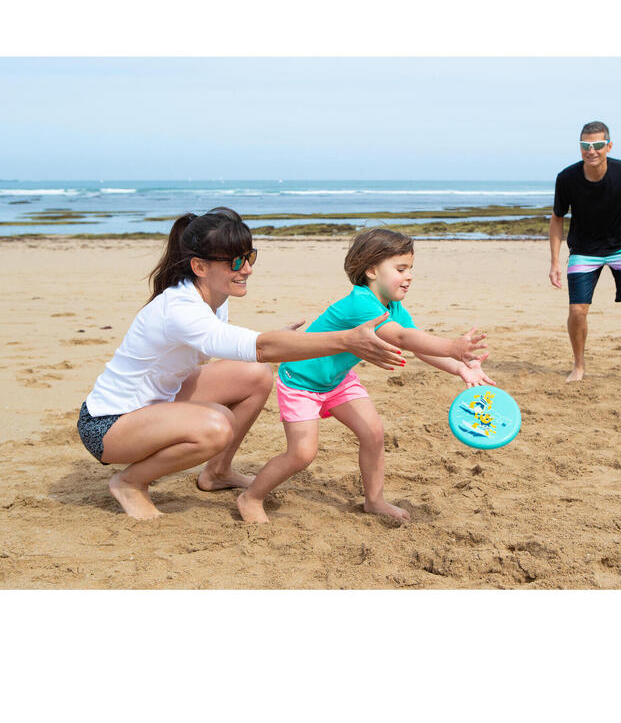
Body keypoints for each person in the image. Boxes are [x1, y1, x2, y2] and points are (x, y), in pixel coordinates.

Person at [76, 207, 407, 521]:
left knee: (256, 376)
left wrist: (283, 342)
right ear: (199, 267)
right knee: (217, 425)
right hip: (109, 425)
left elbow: (250, 351)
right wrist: (346, 339)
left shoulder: (212, 298)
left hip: (158, 402)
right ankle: (130, 482)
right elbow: (261, 346)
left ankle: (217, 471)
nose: (246, 269)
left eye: (249, 257)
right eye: (236, 261)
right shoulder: (181, 308)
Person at [237, 228, 493, 523]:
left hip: (338, 380)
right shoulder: (361, 303)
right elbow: (402, 338)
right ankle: (251, 497)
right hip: (301, 382)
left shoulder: (391, 305)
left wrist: (459, 366)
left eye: (410, 268)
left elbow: (417, 343)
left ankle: (374, 500)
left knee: (373, 433)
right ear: (371, 270)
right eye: (400, 269)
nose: (409, 276)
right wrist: (452, 346)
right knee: (302, 454)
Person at [548, 121, 621, 385]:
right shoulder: (566, 178)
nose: (592, 151)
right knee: (578, 311)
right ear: (580, 148)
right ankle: (579, 366)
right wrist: (555, 261)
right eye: (586, 146)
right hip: (583, 251)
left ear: (608, 146)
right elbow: (557, 219)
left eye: (598, 145)